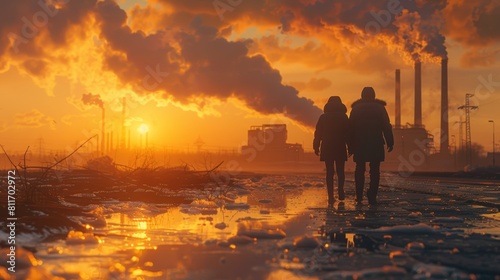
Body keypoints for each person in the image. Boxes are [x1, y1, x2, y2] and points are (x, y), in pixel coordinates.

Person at [348, 87, 394, 205]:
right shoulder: (380, 108)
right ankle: (372, 195)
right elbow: (386, 126)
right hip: (376, 142)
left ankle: (358, 196)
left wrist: (350, 145)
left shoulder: (356, 109)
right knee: (375, 170)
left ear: (362, 96)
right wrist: (390, 141)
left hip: (359, 143)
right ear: (374, 95)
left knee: (359, 169)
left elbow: (350, 128)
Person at [313, 96, 349, 207]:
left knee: (329, 172)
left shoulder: (323, 117)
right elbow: (349, 133)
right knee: (340, 171)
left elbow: (318, 133)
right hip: (340, 146)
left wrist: (316, 146)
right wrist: (351, 147)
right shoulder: (344, 117)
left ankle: (330, 195)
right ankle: (341, 191)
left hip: (327, 146)